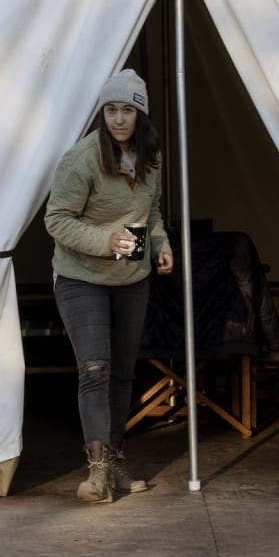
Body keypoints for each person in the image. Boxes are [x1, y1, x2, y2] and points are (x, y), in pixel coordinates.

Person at [45, 69, 174, 502]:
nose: (119, 118)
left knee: (121, 374)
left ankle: (116, 462)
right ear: (102, 114)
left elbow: (152, 209)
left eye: (128, 110)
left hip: (130, 279)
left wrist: (160, 244)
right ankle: (96, 472)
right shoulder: (81, 159)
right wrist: (106, 240)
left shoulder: (150, 158)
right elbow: (56, 219)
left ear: (140, 115)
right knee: (95, 370)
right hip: (82, 278)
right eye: (111, 110)